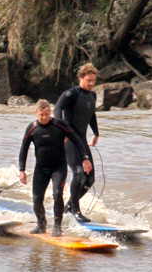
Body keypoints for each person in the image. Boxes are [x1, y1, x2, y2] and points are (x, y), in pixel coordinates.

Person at [19, 100, 89, 236]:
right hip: (41, 169)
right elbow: (23, 149)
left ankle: (57, 226)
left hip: (59, 167)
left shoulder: (59, 125)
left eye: (46, 114)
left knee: (57, 193)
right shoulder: (32, 128)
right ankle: (41, 225)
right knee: (36, 198)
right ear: (36, 113)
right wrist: (22, 170)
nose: (44, 117)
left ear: (50, 113)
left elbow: (77, 140)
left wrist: (85, 158)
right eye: (41, 115)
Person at [53, 63, 98, 222]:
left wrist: (96, 133)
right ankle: (76, 210)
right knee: (79, 173)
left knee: (90, 178)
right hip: (69, 139)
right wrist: (60, 130)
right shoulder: (70, 94)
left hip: (82, 139)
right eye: (88, 80)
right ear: (80, 78)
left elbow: (91, 115)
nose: (91, 84)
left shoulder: (92, 96)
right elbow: (57, 109)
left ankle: (70, 206)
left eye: (93, 81)